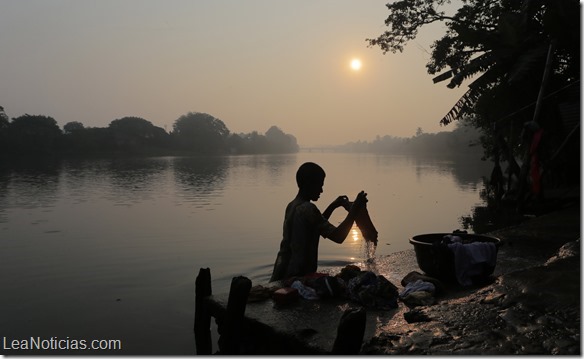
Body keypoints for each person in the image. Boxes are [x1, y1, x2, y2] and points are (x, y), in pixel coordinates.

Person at [270, 162, 368, 282]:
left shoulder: (292, 206)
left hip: (280, 273)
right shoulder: (308, 208)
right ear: (308, 185)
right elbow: (338, 236)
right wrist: (354, 209)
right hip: (296, 278)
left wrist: (333, 206)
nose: (321, 190)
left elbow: (315, 226)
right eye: (319, 185)